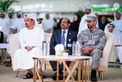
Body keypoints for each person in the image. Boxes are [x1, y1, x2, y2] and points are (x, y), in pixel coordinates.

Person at [13, 13, 45, 79]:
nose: (25, 22)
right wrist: (26, 46)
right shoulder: (22, 31)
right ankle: (29, 72)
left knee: (35, 51)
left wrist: (33, 46)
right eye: (25, 21)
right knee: (18, 52)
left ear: (33, 21)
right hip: (26, 48)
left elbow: (42, 41)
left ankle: (39, 72)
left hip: (37, 47)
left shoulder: (39, 30)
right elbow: (21, 41)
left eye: (27, 21)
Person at [78, 16, 106, 81]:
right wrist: (83, 48)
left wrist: (91, 48)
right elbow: (78, 42)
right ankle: (79, 72)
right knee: (77, 51)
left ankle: (93, 73)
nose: (88, 23)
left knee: (97, 51)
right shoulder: (83, 32)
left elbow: (102, 44)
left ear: (95, 22)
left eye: (89, 21)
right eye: (87, 22)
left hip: (94, 50)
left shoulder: (101, 32)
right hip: (84, 50)